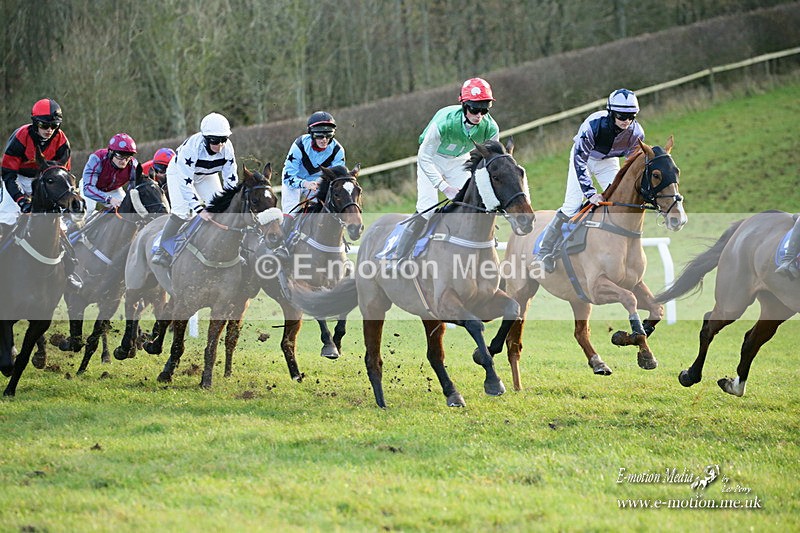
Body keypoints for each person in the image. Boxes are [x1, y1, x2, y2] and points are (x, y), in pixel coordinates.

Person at [536, 88, 645, 273]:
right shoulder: (594, 124)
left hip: (608, 161)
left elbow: (631, 166)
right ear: (611, 113)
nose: (626, 121)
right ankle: (544, 251)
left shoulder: (637, 134)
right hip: (583, 158)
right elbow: (579, 160)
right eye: (621, 116)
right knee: (572, 205)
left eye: (631, 116)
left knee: (618, 199)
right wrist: (590, 193)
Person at [393, 77, 500, 259]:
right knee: (427, 209)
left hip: (459, 161)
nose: (479, 115)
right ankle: (398, 256)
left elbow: (492, 162)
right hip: (431, 160)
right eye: (475, 108)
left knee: (476, 202)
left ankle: (487, 242)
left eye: (485, 108)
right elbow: (423, 157)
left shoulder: (490, 128)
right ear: (464, 105)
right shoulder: (444, 122)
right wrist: (444, 187)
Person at [0, 98, 81, 288]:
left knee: (61, 228)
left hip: (45, 181)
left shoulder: (62, 141)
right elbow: (8, 175)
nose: (49, 130)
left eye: (54, 125)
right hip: (18, 177)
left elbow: (63, 175)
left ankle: (69, 273)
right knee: (6, 220)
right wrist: (22, 201)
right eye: (45, 125)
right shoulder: (20, 137)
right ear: (35, 122)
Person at [152, 112, 238, 267]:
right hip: (180, 173)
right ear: (205, 139)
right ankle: (162, 249)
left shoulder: (228, 149)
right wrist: (199, 209)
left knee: (220, 209)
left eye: (223, 140)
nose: (220, 146)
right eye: (215, 141)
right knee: (183, 212)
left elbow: (230, 180)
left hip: (206, 175)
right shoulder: (191, 149)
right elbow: (185, 183)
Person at [280, 111, 346, 217]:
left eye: (328, 134)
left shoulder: (338, 151)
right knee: (290, 213)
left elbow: (336, 179)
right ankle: (285, 231)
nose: (324, 139)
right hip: (294, 180)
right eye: (319, 135)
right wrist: (305, 184)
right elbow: (288, 177)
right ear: (311, 133)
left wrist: (319, 181)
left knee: (327, 210)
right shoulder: (299, 145)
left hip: (318, 182)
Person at [81, 133, 139, 213]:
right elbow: (88, 188)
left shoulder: (133, 166)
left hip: (113, 189)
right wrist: (109, 199)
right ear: (111, 152)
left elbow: (137, 186)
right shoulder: (97, 158)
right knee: (87, 209)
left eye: (128, 156)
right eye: (120, 156)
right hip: (91, 187)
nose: (124, 161)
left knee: (126, 211)